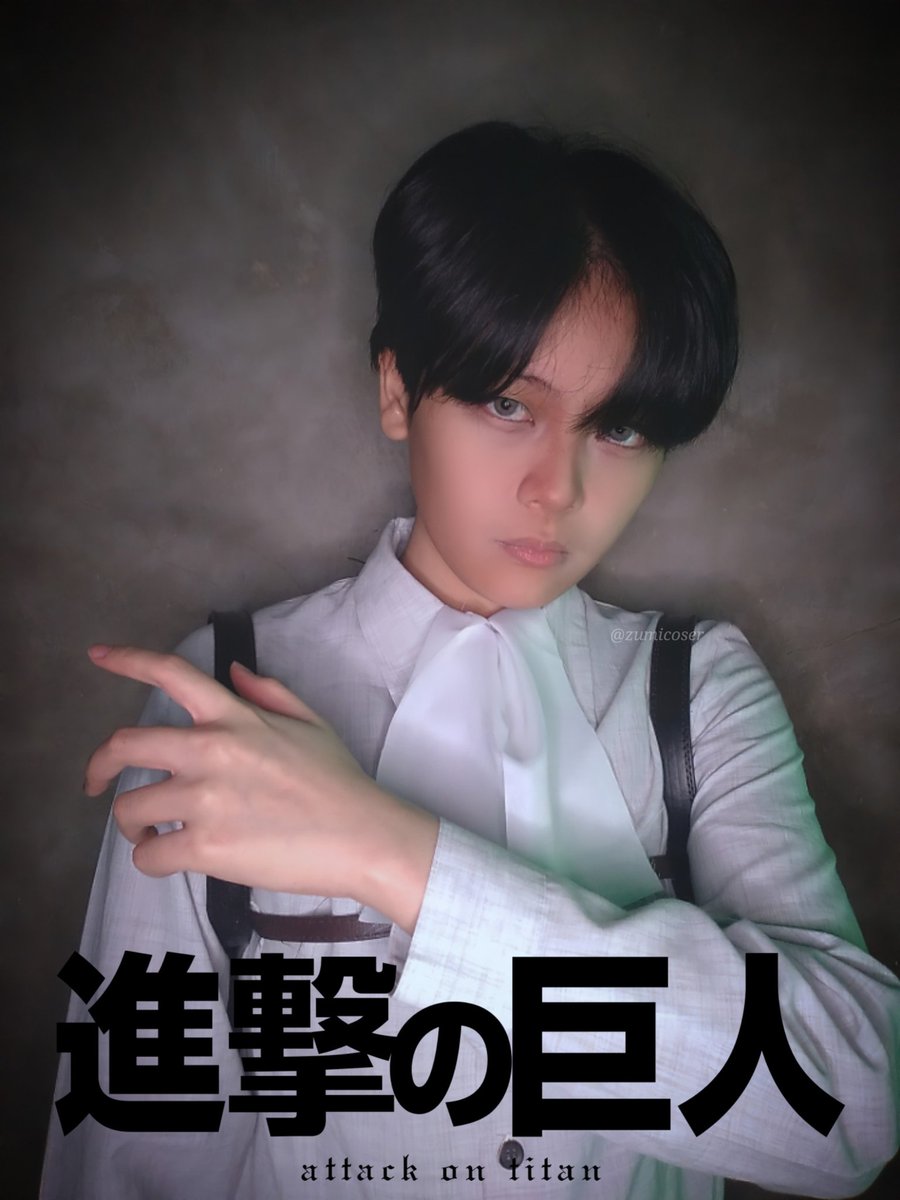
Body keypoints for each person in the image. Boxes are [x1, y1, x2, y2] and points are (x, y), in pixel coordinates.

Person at [42, 122, 898, 1199]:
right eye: (507, 404)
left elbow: (854, 1103)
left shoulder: (697, 695)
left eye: (620, 429)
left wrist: (390, 855)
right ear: (399, 390)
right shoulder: (223, 693)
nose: (560, 489)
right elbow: (135, 1143)